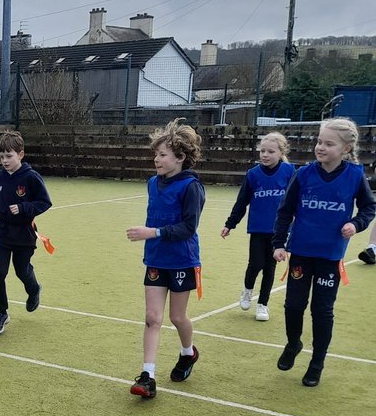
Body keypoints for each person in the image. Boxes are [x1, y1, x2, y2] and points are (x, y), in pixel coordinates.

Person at [272, 117, 375, 387]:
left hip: (330, 256)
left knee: (322, 309)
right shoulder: (303, 174)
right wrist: (279, 243)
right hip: (301, 253)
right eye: (319, 141)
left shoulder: (354, 175)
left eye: (329, 144)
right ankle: (294, 343)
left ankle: (317, 361)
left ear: (345, 148)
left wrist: (355, 223)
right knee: (293, 305)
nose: (321, 147)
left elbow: (368, 208)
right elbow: (285, 211)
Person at [126, 119, 206, 399]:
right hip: (156, 260)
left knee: (177, 316)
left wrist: (152, 232)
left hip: (183, 260)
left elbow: (188, 228)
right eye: (155, 155)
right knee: (152, 317)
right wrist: (151, 237)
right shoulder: (152, 183)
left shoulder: (191, 187)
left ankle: (188, 352)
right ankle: (147, 375)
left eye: (162, 155)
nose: (156, 160)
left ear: (180, 158)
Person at [0, 130, 52, 335]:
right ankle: (1, 312)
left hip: (24, 234)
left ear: (21, 155)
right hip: (2, 234)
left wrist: (24, 207)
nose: (5, 160)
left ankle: (33, 289)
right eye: (2, 156)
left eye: (9, 156)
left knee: (21, 270)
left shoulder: (31, 177)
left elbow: (44, 202)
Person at [220, 131, 295, 321]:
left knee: (270, 268)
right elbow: (241, 202)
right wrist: (230, 224)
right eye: (262, 151)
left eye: (270, 151)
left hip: (279, 232)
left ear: (281, 153)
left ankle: (263, 304)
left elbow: (296, 202)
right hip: (258, 229)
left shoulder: (289, 172)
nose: (265, 155)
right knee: (255, 264)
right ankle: (247, 290)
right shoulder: (253, 174)